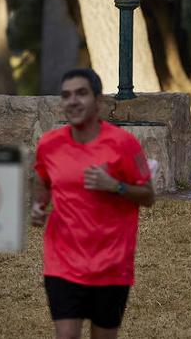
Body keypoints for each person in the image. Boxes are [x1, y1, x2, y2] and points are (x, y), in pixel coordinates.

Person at [32, 68, 155, 339]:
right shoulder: (49, 144)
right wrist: (39, 204)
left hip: (111, 264)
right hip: (62, 261)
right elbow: (42, 179)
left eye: (81, 93)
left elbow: (148, 195)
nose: (72, 101)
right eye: (66, 95)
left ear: (98, 102)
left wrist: (116, 186)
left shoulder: (124, 144)